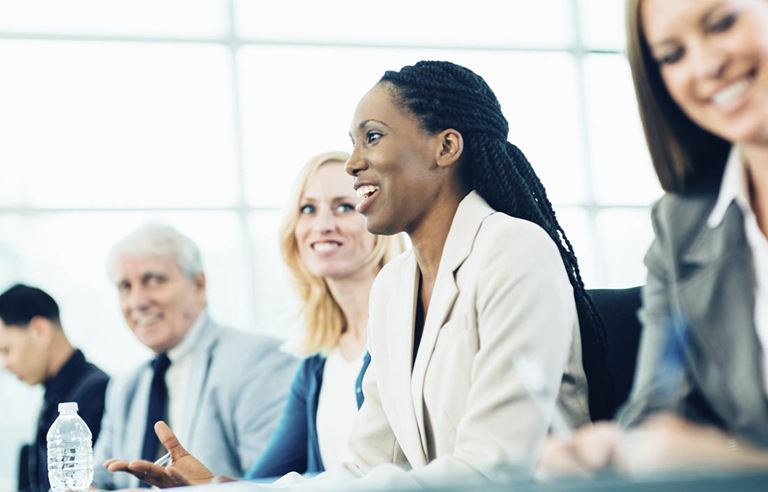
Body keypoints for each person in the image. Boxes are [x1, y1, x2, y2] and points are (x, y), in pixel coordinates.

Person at [109, 61, 614, 488]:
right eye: (352, 143)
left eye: (372, 137)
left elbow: (495, 465)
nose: (353, 163)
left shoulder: (514, 250)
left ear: (446, 147)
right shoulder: (395, 287)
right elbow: (363, 466)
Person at [538, 0, 768, 477]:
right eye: (671, 55)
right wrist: (610, 453)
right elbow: (659, 410)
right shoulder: (680, 226)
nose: (706, 65)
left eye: (723, 23)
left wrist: (733, 462)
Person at [104, 153, 404, 487]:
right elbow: (263, 481)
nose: (322, 224)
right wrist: (208, 485)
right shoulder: (317, 363)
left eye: (344, 207)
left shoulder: (405, 330)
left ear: (380, 220)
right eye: (308, 209)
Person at [93, 224, 297, 489]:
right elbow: (99, 479)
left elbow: (272, 484)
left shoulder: (258, 361)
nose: (137, 302)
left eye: (153, 280)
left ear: (198, 285)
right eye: (125, 287)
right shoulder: (125, 386)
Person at [0, 283, 109, 492]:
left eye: (6, 350)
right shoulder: (56, 396)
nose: (4, 365)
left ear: (40, 330)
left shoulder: (95, 393)